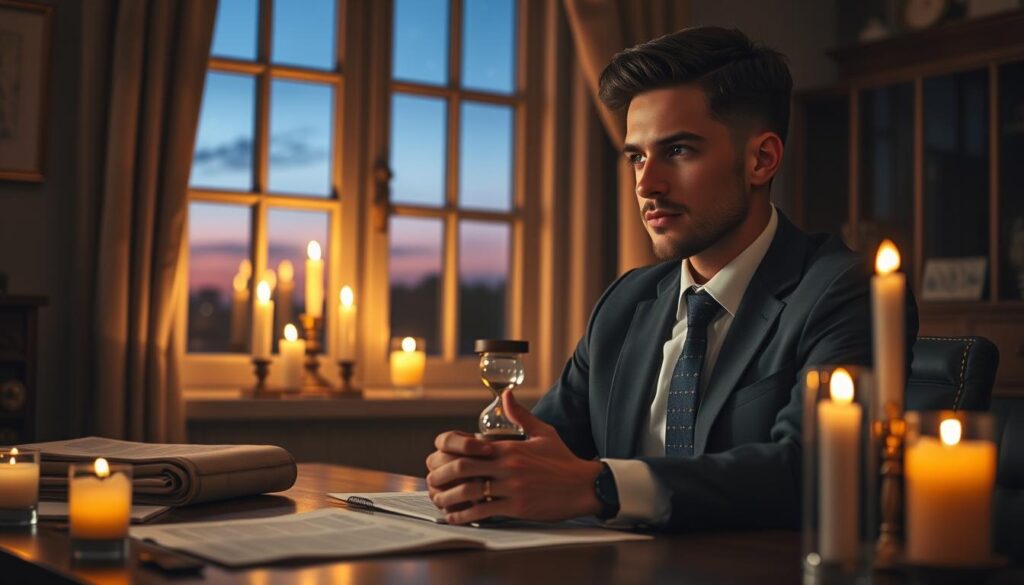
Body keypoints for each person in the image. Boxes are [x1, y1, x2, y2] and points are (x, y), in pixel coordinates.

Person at [425, 26, 918, 530]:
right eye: (637, 156)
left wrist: (600, 486)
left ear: (761, 160)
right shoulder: (625, 302)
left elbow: (812, 468)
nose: (647, 184)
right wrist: (481, 469)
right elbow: (542, 451)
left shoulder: (844, 291)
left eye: (678, 150)